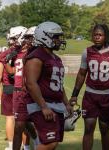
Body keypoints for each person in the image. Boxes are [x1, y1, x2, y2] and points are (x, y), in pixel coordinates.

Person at [69, 24, 109, 150]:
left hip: (108, 96)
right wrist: (74, 95)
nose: (97, 37)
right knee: (88, 128)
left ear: (106, 36)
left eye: (100, 35)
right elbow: (81, 74)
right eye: (95, 35)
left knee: (104, 128)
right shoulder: (87, 52)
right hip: (90, 95)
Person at [25, 21, 72, 150]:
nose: (59, 40)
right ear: (45, 36)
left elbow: (58, 85)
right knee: (49, 143)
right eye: (56, 37)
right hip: (43, 105)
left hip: (55, 104)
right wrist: (43, 106)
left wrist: (66, 104)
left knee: (53, 141)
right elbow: (30, 83)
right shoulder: (36, 57)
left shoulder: (55, 58)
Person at [5, 26, 39, 150]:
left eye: (14, 38)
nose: (12, 41)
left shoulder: (33, 53)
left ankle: (35, 140)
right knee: (19, 124)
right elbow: (12, 72)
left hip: (29, 91)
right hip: (17, 90)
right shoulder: (17, 53)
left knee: (26, 122)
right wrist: (6, 61)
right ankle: (34, 140)